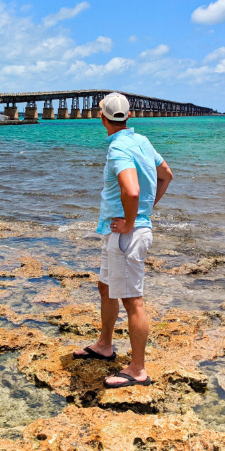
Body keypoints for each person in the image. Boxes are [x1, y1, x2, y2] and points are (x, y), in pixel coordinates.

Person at [73, 92, 173, 388]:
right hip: (121, 232)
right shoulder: (141, 141)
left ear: (100, 117)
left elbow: (130, 191)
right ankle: (105, 344)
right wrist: (145, 211)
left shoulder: (118, 149)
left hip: (124, 235)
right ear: (128, 116)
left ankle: (138, 369)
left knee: (133, 301)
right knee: (106, 287)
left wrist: (132, 220)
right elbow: (166, 175)